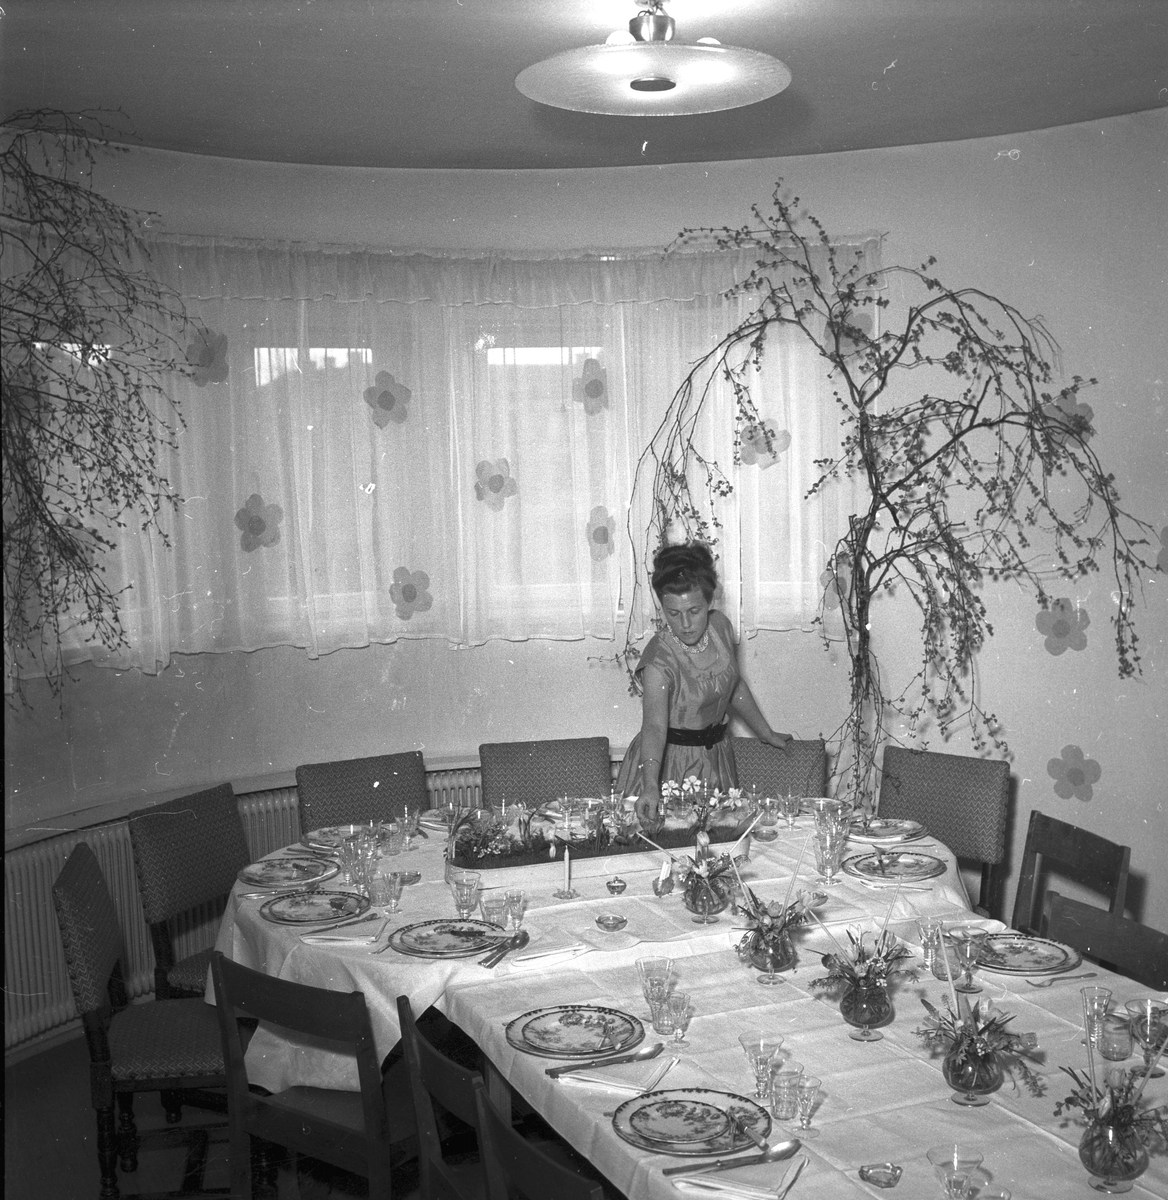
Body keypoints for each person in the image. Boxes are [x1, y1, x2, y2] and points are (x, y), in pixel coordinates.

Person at [614, 541, 793, 827]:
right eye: (673, 614)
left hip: (716, 758)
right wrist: (650, 786)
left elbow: (732, 685)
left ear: (709, 603)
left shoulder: (720, 626)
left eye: (694, 611)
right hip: (668, 764)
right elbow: (655, 727)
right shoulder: (658, 659)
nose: (685, 624)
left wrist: (765, 732)